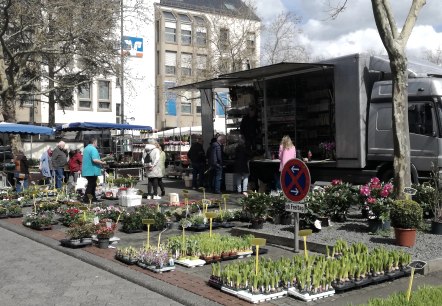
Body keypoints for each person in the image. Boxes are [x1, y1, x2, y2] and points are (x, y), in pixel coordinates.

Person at [82, 138, 106, 203]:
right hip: (92, 170)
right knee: (91, 185)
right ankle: (86, 199)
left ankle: (93, 198)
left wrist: (101, 160)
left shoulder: (86, 148)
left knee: (92, 184)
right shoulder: (93, 149)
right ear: (94, 142)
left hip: (87, 170)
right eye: (96, 142)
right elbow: (94, 160)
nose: (97, 144)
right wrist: (103, 163)